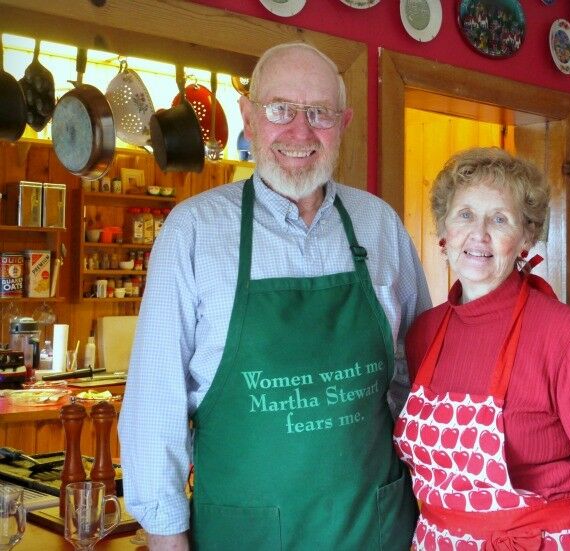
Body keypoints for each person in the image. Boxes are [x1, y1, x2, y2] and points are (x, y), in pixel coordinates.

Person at [119, 42, 431, 551]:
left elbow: (417, 378)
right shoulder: (194, 230)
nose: (300, 131)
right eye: (280, 109)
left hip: (375, 527)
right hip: (247, 533)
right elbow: (156, 402)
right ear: (248, 115)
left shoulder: (379, 224)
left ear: (344, 122)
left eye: (320, 113)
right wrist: (165, 534)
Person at [393, 147, 570, 550]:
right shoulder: (423, 332)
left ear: (526, 236)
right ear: (444, 229)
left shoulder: (561, 333)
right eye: (465, 215)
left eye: (499, 219)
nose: (479, 234)